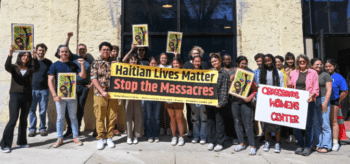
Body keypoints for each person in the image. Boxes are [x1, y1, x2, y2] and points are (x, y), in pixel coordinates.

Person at [1, 46, 39, 153]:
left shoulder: (31, 68)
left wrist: (35, 56)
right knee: (13, 119)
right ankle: (5, 144)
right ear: (20, 56)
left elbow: (37, 67)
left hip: (27, 96)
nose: (25, 57)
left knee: (23, 119)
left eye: (28, 56)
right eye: (24, 55)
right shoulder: (14, 67)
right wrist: (10, 53)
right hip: (15, 95)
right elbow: (6, 66)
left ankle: (22, 142)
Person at [48, 45, 85, 148]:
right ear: (59, 53)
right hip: (60, 96)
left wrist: (82, 65)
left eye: (66, 52)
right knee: (60, 118)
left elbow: (82, 76)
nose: (64, 53)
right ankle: (59, 138)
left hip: (72, 96)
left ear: (69, 53)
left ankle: (76, 137)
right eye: (62, 52)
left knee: (73, 117)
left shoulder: (73, 64)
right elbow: (50, 81)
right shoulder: (54, 65)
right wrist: (54, 95)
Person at [287, 54, 319, 156]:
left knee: (308, 125)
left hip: (309, 101)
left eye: (303, 61)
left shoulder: (313, 72)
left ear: (307, 62)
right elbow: (290, 86)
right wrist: (288, 75)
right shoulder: (294, 73)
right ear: (297, 62)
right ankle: (300, 145)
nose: (301, 63)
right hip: (296, 102)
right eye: (300, 61)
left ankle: (308, 147)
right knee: (296, 124)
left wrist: (312, 95)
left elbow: (315, 87)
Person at [90, 42, 120, 150]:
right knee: (100, 117)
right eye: (104, 50)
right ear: (100, 51)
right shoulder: (95, 63)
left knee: (112, 117)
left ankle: (109, 137)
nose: (106, 51)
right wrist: (102, 92)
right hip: (100, 94)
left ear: (111, 51)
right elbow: (94, 79)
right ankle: (101, 138)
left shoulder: (115, 63)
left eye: (108, 50)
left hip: (113, 94)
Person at [230, 56, 258, 155]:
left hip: (246, 102)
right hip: (235, 102)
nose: (244, 65)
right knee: (237, 123)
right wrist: (231, 80)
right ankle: (241, 143)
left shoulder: (250, 73)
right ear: (237, 63)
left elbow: (255, 89)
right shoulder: (233, 72)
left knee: (248, 124)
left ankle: (252, 146)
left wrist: (250, 97)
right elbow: (230, 89)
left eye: (245, 63)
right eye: (242, 63)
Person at [258, 54, 284, 153]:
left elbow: (282, 87)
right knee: (266, 123)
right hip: (265, 101)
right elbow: (259, 86)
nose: (268, 62)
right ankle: (267, 141)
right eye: (266, 61)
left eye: (269, 60)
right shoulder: (262, 72)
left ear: (272, 61)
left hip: (276, 101)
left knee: (276, 122)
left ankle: (277, 143)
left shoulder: (279, 72)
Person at [28, 44, 52, 137]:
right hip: (32, 90)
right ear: (36, 51)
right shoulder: (30, 62)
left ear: (45, 51)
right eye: (39, 50)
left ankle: (42, 128)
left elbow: (51, 75)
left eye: (43, 50)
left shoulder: (49, 62)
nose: (41, 52)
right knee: (32, 110)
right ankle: (32, 129)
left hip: (44, 90)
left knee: (42, 111)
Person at [207, 53, 230, 152]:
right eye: (212, 62)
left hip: (219, 103)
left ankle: (220, 143)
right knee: (210, 122)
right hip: (210, 102)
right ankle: (211, 141)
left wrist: (221, 103)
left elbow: (225, 90)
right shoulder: (210, 72)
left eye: (215, 61)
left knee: (219, 123)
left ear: (220, 61)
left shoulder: (224, 73)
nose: (214, 63)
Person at [324, 59, 348, 151]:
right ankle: (327, 141)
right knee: (325, 122)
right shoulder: (322, 75)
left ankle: (335, 143)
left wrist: (339, 100)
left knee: (334, 122)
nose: (328, 68)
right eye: (326, 66)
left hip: (334, 102)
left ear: (334, 66)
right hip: (323, 102)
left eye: (330, 66)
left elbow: (345, 91)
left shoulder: (339, 77)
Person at [310, 58, 332, 153]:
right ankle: (318, 144)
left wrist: (325, 103)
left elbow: (329, 90)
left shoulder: (325, 75)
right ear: (311, 66)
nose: (319, 66)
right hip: (313, 100)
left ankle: (326, 145)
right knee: (316, 124)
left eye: (320, 64)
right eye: (316, 64)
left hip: (323, 99)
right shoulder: (310, 75)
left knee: (325, 123)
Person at [124, 53, 144, 144]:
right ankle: (129, 136)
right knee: (128, 116)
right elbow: (123, 60)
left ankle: (136, 135)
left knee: (138, 116)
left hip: (138, 96)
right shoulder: (124, 69)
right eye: (131, 59)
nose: (133, 61)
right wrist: (131, 49)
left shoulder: (141, 69)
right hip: (128, 95)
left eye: (135, 59)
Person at [167, 58, 185, 146]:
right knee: (172, 118)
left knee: (179, 118)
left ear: (180, 64)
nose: (175, 65)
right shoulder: (167, 73)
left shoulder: (184, 73)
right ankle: (174, 136)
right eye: (174, 63)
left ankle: (181, 137)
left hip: (179, 99)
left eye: (177, 63)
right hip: (169, 99)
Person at [190, 55, 208, 144]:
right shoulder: (189, 73)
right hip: (193, 100)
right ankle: (196, 136)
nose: (197, 63)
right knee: (195, 119)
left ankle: (203, 137)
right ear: (193, 62)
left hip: (203, 99)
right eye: (195, 61)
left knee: (204, 118)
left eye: (198, 61)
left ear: (201, 62)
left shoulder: (205, 73)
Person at [144, 57, 162, 142]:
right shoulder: (144, 73)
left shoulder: (160, 73)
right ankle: (149, 135)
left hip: (157, 98)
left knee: (156, 117)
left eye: (155, 63)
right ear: (148, 64)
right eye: (152, 63)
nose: (153, 65)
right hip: (148, 98)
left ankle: (156, 135)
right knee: (148, 117)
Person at [222, 54, 238, 144]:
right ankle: (227, 135)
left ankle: (235, 136)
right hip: (224, 97)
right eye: (225, 59)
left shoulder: (234, 70)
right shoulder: (221, 70)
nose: (227, 61)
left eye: (229, 59)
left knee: (234, 117)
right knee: (225, 117)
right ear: (223, 61)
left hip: (233, 97)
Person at [284, 52, 297, 143]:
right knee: (287, 117)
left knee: (295, 117)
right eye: (288, 59)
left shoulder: (298, 69)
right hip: (285, 96)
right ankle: (289, 136)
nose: (290, 61)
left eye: (292, 59)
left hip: (296, 96)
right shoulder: (282, 70)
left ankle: (296, 136)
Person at [158, 53, 172, 136]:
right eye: (162, 58)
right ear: (159, 59)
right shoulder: (157, 67)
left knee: (168, 111)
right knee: (160, 111)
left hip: (168, 92)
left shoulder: (170, 67)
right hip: (159, 92)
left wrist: (176, 56)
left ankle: (168, 128)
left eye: (165, 58)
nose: (163, 60)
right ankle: (162, 128)